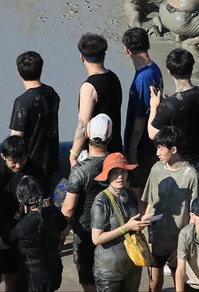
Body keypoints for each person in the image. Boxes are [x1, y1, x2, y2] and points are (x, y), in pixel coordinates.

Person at [0, 135, 47, 292]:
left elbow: (44, 202)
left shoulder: (34, 170)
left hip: (21, 227)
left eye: (21, 160)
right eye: (12, 161)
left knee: (12, 274)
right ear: (3, 156)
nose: (17, 165)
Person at [140, 127, 199, 292]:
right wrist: (143, 232)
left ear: (173, 149)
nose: (157, 152)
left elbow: (194, 216)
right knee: (154, 284)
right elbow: (151, 203)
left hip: (178, 243)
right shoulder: (156, 169)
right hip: (155, 241)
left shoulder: (191, 175)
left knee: (180, 285)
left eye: (161, 148)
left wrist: (182, 246)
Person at [148, 49, 199, 192]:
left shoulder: (169, 105)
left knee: (178, 200)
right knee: (196, 196)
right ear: (191, 68)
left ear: (169, 72)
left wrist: (154, 106)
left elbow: (152, 134)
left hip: (178, 161)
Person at [63, 114, 112, 292]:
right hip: (112, 231)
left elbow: (68, 208)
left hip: (85, 232)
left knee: (87, 276)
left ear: (88, 137)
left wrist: (61, 232)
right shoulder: (117, 166)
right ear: (110, 138)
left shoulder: (79, 171)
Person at [91, 153, 152, 292]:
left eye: (123, 171)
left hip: (132, 265)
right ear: (107, 175)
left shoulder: (130, 195)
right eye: (115, 172)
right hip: (109, 272)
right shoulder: (101, 200)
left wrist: (142, 222)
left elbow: (133, 224)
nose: (120, 176)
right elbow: (96, 238)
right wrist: (126, 227)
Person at [0, 176, 69, 292]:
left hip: (31, 279)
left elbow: (4, 244)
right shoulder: (53, 213)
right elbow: (65, 231)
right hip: (53, 273)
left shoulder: (19, 223)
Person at [9, 51, 61, 193]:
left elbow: (16, 137)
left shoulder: (23, 101)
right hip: (50, 159)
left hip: (30, 163)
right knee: (45, 197)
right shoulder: (52, 93)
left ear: (19, 73)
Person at [121, 28, 162, 197]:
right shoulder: (154, 69)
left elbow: (140, 117)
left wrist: (132, 148)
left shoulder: (144, 78)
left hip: (143, 147)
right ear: (149, 44)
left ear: (127, 50)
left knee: (137, 193)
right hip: (149, 143)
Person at [71, 33, 124, 162]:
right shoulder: (114, 77)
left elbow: (82, 125)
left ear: (82, 57)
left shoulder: (89, 87)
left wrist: (73, 154)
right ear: (104, 55)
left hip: (96, 154)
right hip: (115, 147)